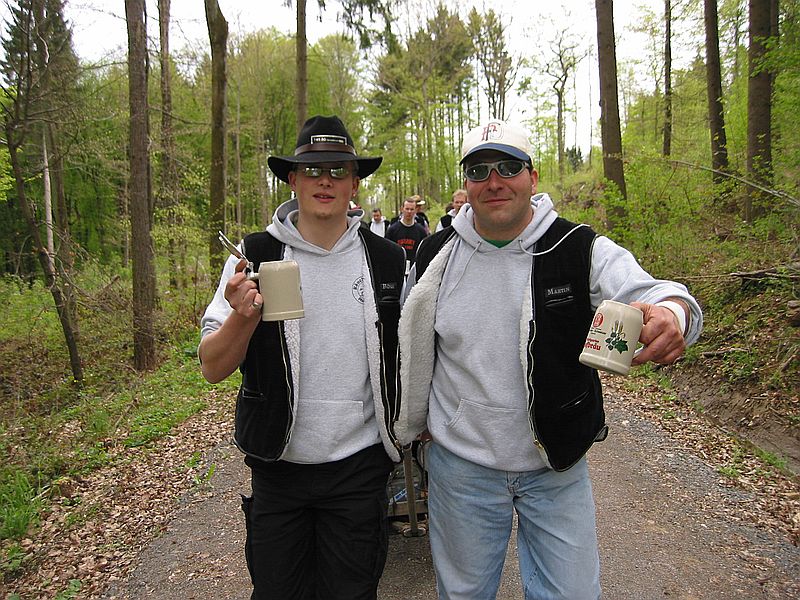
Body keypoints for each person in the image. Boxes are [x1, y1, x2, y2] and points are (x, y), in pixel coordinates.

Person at [395, 118, 703, 600]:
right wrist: (415, 420)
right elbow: (411, 341)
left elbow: (660, 293)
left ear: (532, 176)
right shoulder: (437, 254)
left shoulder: (576, 246)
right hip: (462, 468)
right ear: (466, 183)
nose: (494, 181)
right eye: (478, 170)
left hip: (556, 464)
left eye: (508, 167)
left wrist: (672, 314)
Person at [199, 115, 406, 600]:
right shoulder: (254, 255)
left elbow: (414, 352)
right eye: (313, 170)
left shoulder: (388, 261)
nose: (325, 181)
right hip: (279, 467)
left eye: (338, 170)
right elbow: (212, 366)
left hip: (359, 468)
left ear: (355, 183)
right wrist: (243, 317)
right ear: (292, 180)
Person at [386, 197, 428, 266]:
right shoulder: (392, 230)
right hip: (396, 266)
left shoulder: (421, 231)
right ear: (402, 209)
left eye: (412, 209)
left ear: (415, 210)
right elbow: (387, 251)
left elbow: (425, 252)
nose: (409, 212)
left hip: (414, 268)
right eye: (407, 209)